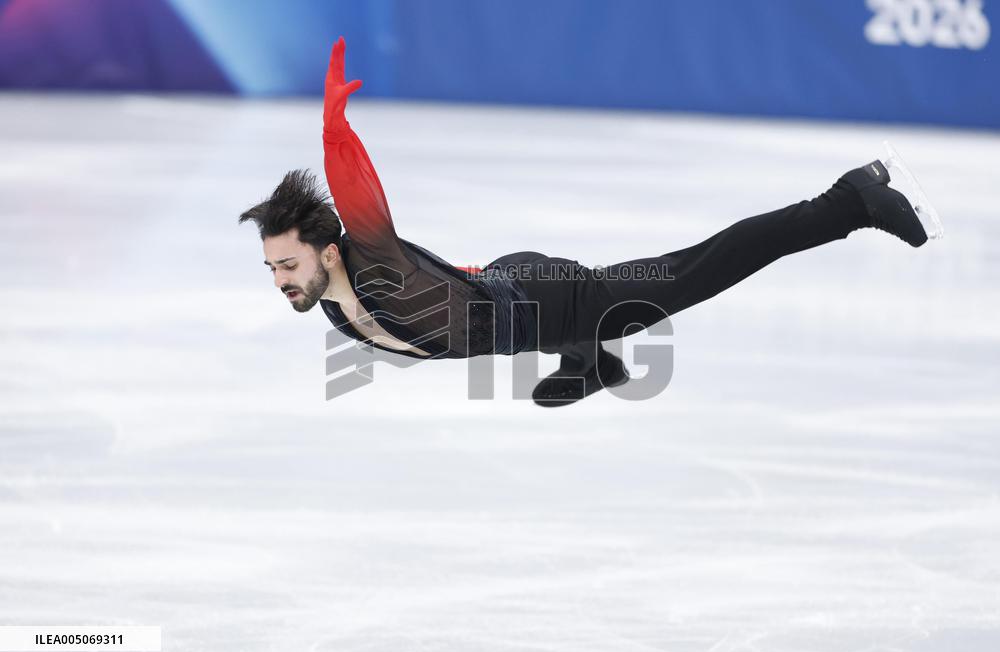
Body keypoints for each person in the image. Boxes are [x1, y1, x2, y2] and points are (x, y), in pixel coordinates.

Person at [238, 37, 936, 407]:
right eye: (272, 267)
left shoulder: (371, 265)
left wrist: (335, 135)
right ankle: (588, 359)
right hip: (509, 284)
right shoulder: (332, 304)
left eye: (288, 264)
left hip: (553, 294)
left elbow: (362, 205)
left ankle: (851, 199)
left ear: (330, 251)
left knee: (702, 267)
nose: (279, 280)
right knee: (524, 323)